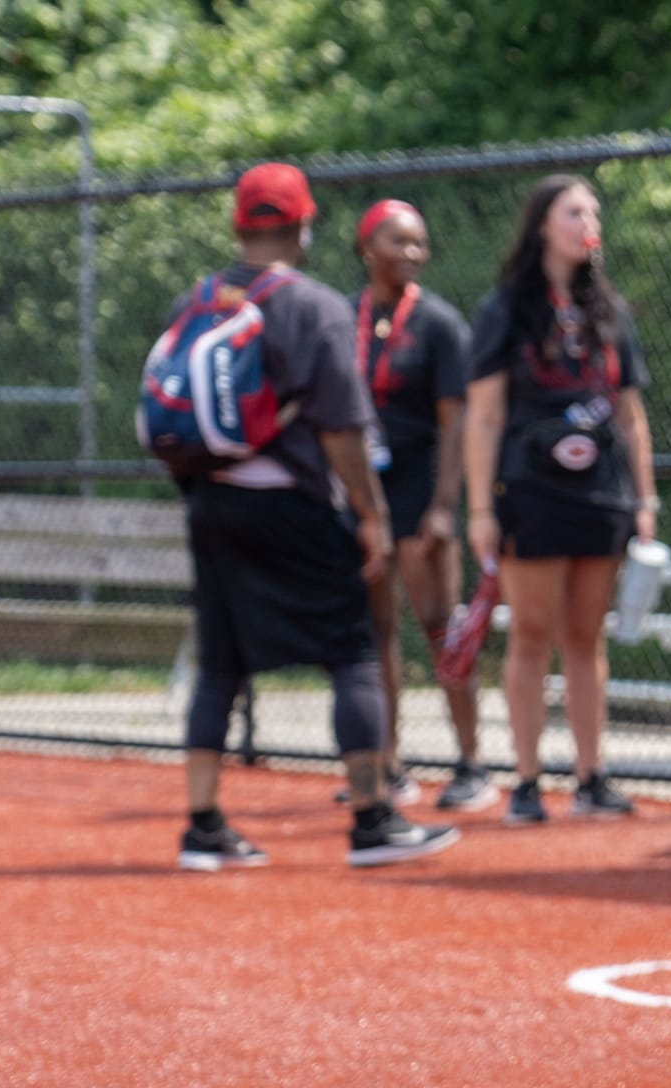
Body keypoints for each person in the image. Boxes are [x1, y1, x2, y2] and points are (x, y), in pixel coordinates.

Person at [171, 162, 461, 872]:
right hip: (294, 503)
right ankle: (372, 818)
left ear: (240, 225)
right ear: (303, 227)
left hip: (212, 503)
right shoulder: (314, 306)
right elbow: (340, 428)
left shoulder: (197, 299)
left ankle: (203, 824)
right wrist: (368, 512)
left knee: (219, 663)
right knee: (354, 652)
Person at [463, 174, 659, 825]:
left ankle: (591, 775)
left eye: (593, 211)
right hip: (531, 490)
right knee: (531, 634)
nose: (588, 221)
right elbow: (485, 416)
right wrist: (482, 510)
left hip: (599, 492)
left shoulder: (610, 311)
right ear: (544, 223)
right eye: (575, 210)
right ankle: (524, 779)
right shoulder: (506, 309)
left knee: (585, 637)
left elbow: (630, 416)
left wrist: (645, 498)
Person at [351, 198, 496, 813]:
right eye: (397, 241)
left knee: (444, 627)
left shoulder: (437, 324)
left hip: (421, 488)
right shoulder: (345, 316)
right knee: (374, 631)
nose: (411, 253)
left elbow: (456, 422)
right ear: (367, 249)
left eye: (419, 242)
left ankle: (471, 763)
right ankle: (387, 764)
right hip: (366, 492)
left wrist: (444, 506)